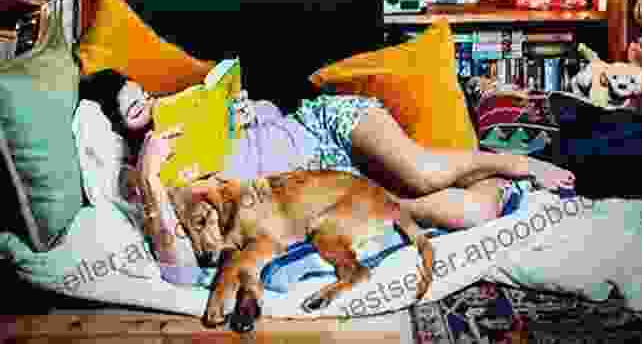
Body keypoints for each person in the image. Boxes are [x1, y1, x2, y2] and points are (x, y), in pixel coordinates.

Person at [78, 69, 575, 285]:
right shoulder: (151, 181)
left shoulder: (187, 111)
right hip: (327, 191)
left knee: (422, 174)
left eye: (146, 94)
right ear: (120, 128)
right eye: (138, 108)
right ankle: (499, 177)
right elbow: (180, 273)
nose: (153, 106)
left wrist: (252, 112)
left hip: (327, 127)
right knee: (476, 211)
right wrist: (149, 176)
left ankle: (516, 161)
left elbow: (280, 116)